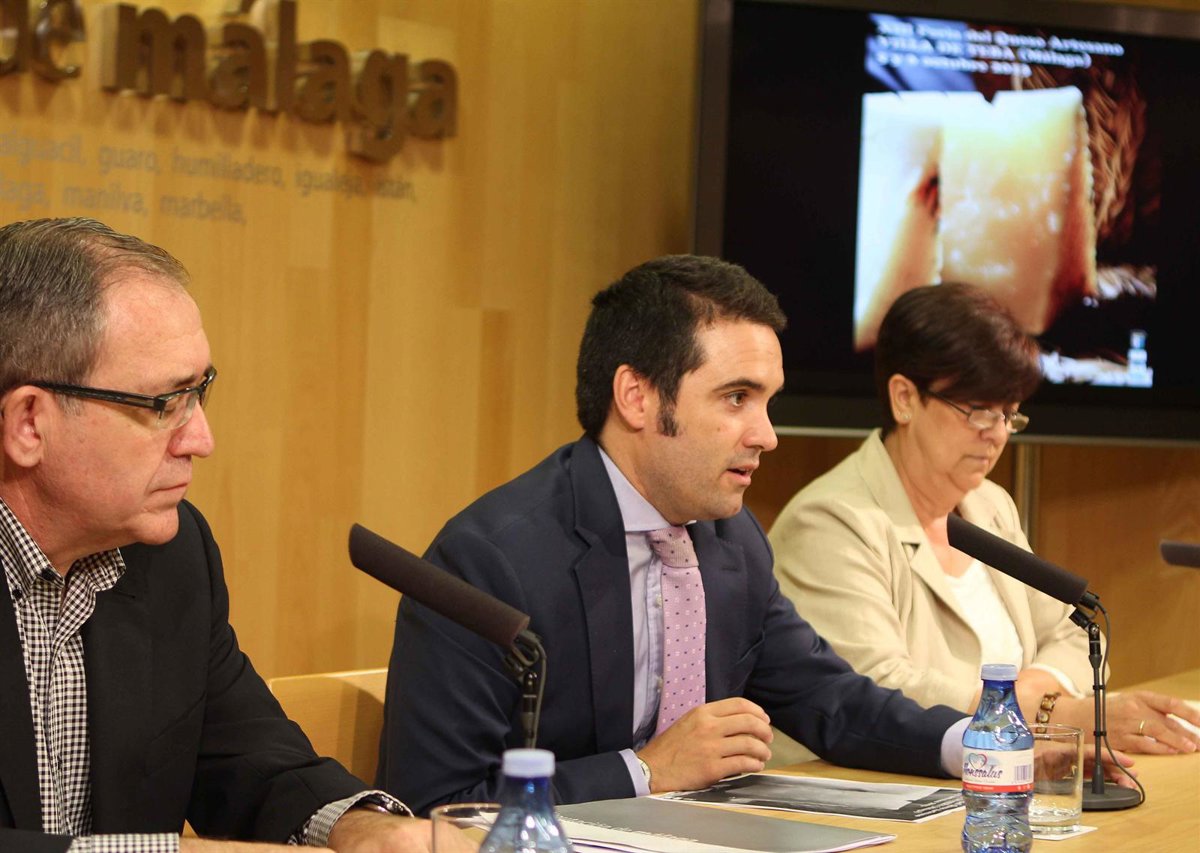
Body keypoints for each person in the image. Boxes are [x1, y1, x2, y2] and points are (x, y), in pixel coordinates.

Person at [377, 254, 973, 816]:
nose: (767, 435)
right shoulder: (489, 559)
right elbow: (436, 802)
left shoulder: (732, 539)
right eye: (736, 398)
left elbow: (831, 701)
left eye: (768, 402)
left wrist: (975, 744)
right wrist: (646, 771)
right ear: (636, 398)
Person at [0, 218, 432, 852]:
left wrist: (365, 831)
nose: (201, 440)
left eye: (200, 392)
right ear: (29, 424)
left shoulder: (171, 555)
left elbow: (250, 759)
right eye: (164, 404)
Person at [769, 282, 1200, 756]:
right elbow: (875, 691)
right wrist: (1045, 714)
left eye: (1008, 414)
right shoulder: (831, 521)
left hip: (1001, 773)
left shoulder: (989, 505)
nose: (997, 435)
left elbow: (1074, 633)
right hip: (879, 781)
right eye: (977, 411)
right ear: (904, 398)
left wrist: (1038, 696)